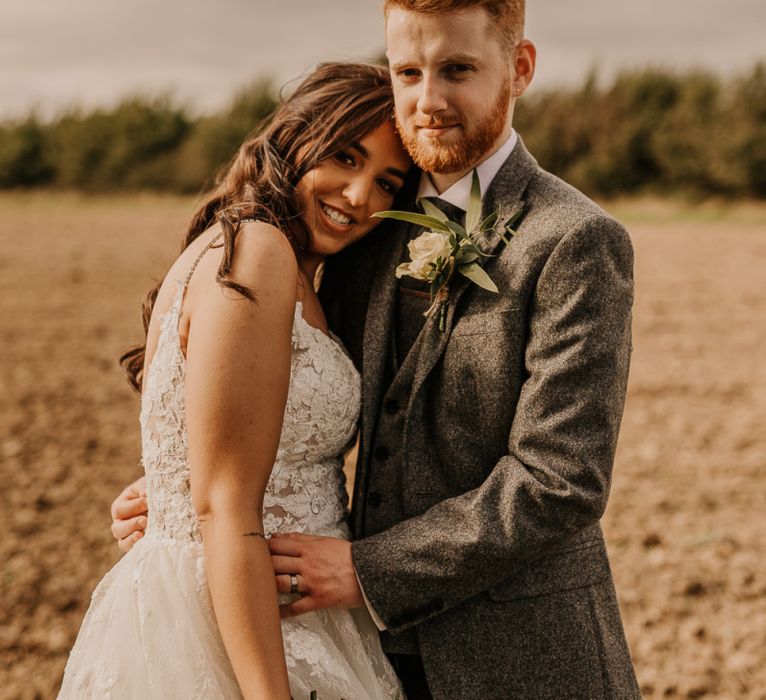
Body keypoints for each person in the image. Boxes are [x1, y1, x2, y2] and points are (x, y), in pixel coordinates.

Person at [113, 2, 643, 698]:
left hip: (522, 656)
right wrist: (188, 482)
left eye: (457, 69)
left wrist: (368, 572)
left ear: (519, 69)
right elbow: (284, 384)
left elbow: (559, 479)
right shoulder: (363, 225)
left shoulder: (576, 240)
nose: (427, 100)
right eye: (409, 71)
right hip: (366, 655)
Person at [59, 62, 410, 699]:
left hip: (291, 610)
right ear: (296, 137)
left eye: (386, 182)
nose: (361, 196)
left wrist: (169, 493)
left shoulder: (286, 264)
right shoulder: (257, 250)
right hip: (236, 630)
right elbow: (224, 507)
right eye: (344, 157)